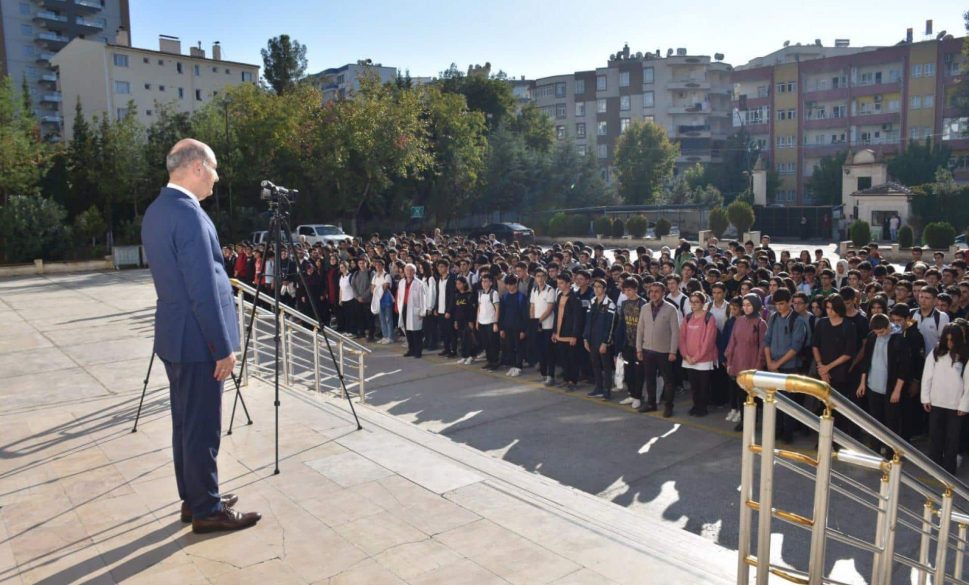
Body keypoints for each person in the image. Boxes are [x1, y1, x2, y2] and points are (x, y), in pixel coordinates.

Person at [141, 138, 260, 533]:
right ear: (195, 167)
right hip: (198, 342)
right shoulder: (189, 215)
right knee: (203, 426)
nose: (217, 176)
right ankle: (207, 510)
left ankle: (195, 499)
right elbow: (204, 289)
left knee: (185, 424)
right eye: (214, 167)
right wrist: (221, 346)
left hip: (175, 338)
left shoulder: (158, 210)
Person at [856, 313, 910, 452]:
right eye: (876, 332)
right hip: (873, 386)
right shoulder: (872, 337)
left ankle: (891, 453)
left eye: (882, 332)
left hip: (890, 388)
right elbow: (866, 361)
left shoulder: (899, 339)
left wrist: (897, 390)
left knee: (891, 423)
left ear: (888, 326)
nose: (879, 335)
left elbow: (903, 368)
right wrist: (863, 383)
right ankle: (875, 450)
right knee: (875, 421)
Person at [921, 324, 969, 474]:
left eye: (952, 340)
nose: (949, 343)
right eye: (947, 340)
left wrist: (964, 405)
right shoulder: (936, 352)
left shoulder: (964, 355)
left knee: (952, 439)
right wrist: (925, 398)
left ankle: (949, 470)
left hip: (955, 405)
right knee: (935, 436)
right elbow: (927, 376)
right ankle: (933, 468)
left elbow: (968, 383)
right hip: (936, 402)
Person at [636, 282, 680, 417]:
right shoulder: (644, 308)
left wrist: (673, 351)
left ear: (663, 293)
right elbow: (640, 329)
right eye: (651, 291)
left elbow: (675, 332)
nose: (653, 294)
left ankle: (669, 406)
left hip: (664, 351)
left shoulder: (671, 309)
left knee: (668, 381)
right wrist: (639, 349)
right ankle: (651, 403)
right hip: (647, 350)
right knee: (649, 379)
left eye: (657, 291)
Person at [725, 294, 767, 431]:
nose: (746, 308)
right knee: (740, 395)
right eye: (744, 305)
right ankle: (744, 420)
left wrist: (758, 366)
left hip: (752, 362)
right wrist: (729, 361)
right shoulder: (739, 321)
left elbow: (762, 346)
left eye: (749, 305)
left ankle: (752, 422)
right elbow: (732, 341)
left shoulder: (761, 324)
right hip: (738, 360)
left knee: (752, 396)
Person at [679, 291, 718, 416]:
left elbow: (709, 341)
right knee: (694, 385)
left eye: (697, 302)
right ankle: (695, 405)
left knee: (703, 386)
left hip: (704, 359)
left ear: (702, 303)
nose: (694, 304)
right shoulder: (688, 317)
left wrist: (696, 357)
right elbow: (682, 338)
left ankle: (703, 407)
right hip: (688, 358)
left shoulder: (709, 318)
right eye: (692, 302)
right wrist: (686, 355)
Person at [616, 278, 647, 409]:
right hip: (627, 343)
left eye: (630, 289)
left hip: (640, 344)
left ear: (636, 289)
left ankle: (638, 397)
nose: (627, 292)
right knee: (628, 371)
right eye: (625, 290)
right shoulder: (624, 304)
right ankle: (631, 394)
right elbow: (621, 324)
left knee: (639, 371)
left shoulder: (643, 303)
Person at [584, 278, 617, 399]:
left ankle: (607, 390)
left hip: (603, 340)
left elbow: (611, 325)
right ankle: (598, 387)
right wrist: (585, 338)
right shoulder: (592, 301)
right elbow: (588, 321)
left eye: (599, 286)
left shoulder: (610, 304)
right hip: (592, 339)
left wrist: (605, 342)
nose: (596, 289)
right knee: (595, 364)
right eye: (595, 286)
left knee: (606, 366)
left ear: (604, 289)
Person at [552, 272, 584, 390]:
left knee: (572, 359)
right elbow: (556, 315)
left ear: (568, 283)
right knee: (563, 358)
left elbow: (577, 318)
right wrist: (554, 331)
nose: (559, 285)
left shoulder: (574, 298)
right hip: (560, 333)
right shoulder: (560, 296)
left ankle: (573, 381)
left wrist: (575, 335)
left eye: (561, 283)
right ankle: (566, 379)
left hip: (569, 334)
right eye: (558, 283)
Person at [529, 268, 556, 384]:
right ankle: (543, 374)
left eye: (542, 276)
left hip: (547, 326)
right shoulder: (534, 289)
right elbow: (532, 306)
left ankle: (550, 376)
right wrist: (533, 321)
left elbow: (549, 309)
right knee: (540, 351)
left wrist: (539, 320)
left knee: (549, 351)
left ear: (545, 277)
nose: (539, 278)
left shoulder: (550, 290)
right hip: (537, 325)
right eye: (537, 276)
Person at [499, 275, 529, 377]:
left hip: (518, 327)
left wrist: (523, 330)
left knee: (519, 347)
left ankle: (519, 366)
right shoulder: (504, 297)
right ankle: (512, 366)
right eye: (507, 284)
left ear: (515, 284)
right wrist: (501, 328)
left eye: (510, 284)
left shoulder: (522, 297)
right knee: (509, 347)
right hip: (507, 326)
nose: (508, 286)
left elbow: (525, 315)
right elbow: (502, 313)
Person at [396, 263, 427, 358]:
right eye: (407, 270)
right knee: (407, 330)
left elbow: (423, 298)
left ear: (414, 272)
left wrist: (422, 311)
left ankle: (418, 351)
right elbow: (399, 297)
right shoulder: (401, 282)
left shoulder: (419, 283)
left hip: (415, 310)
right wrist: (398, 307)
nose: (409, 272)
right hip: (404, 308)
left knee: (416, 332)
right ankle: (411, 349)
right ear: (404, 272)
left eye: (411, 270)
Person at [476, 274, 501, 370]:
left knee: (493, 344)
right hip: (482, 322)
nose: (484, 283)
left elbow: (497, 308)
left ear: (491, 283)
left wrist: (495, 322)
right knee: (486, 343)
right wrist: (477, 321)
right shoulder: (480, 293)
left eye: (486, 281)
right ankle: (489, 361)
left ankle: (495, 362)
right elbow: (479, 308)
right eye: (482, 281)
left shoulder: (494, 293)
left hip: (491, 322)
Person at [451, 276, 477, 364]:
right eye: (456, 284)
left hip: (467, 321)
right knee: (462, 339)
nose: (458, 285)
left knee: (469, 339)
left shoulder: (469, 295)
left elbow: (472, 309)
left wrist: (471, 321)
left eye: (459, 283)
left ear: (464, 284)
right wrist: (455, 321)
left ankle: (471, 356)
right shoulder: (457, 295)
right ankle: (464, 355)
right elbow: (456, 309)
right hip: (459, 320)